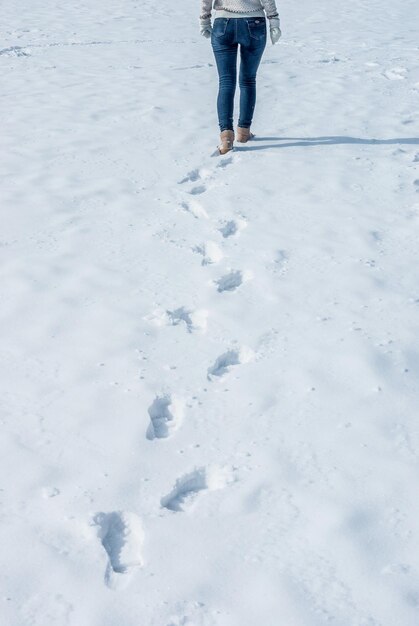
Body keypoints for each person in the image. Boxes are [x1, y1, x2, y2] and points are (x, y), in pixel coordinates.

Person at [200, 0, 281, 154]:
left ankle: (226, 137)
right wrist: (274, 21)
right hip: (254, 23)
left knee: (226, 82)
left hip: (223, 23)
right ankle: (243, 132)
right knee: (248, 80)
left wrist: (204, 19)